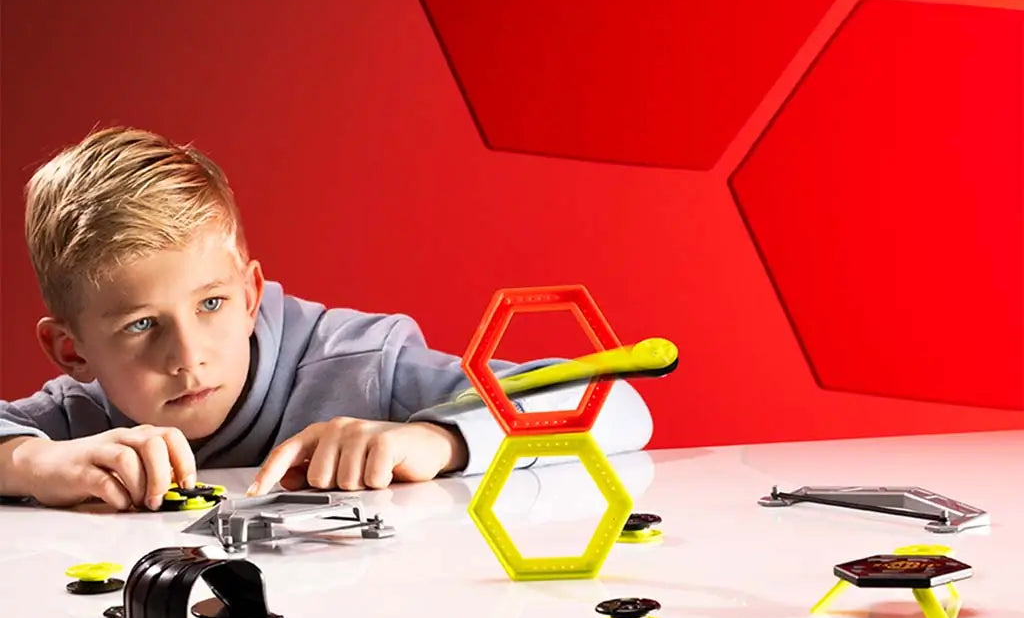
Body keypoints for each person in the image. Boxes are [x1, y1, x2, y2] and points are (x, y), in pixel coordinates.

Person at [0, 128, 653, 511]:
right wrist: (31, 463)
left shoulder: (361, 363)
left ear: (251, 294)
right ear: (72, 351)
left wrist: (436, 441)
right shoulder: (77, 423)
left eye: (211, 304)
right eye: (142, 325)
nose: (189, 355)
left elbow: (615, 404)